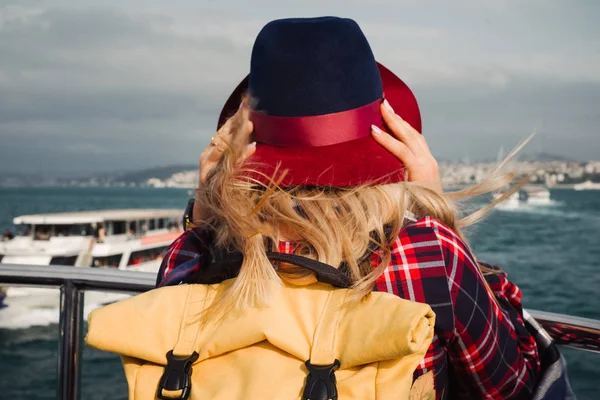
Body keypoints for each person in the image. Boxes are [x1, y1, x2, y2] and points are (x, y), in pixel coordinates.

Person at [156, 17, 540, 399]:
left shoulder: (194, 255)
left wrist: (206, 210)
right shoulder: (427, 252)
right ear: (388, 138)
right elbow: (511, 386)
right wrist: (431, 206)